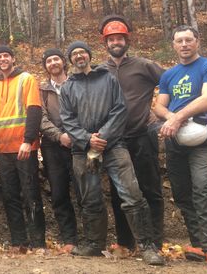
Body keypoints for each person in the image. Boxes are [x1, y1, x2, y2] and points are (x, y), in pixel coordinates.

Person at [59, 41, 164, 266]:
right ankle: (94, 244)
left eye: (82, 52)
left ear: (89, 55)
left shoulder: (108, 78)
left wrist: (102, 137)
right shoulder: (67, 87)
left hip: (114, 144)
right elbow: (67, 119)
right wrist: (88, 139)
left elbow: (120, 108)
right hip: (82, 149)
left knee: (132, 193)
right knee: (90, 198)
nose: (79, 56)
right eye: (74, 54)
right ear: (71, 60)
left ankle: (147, 246)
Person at [153, 25, 207, 271]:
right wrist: (171, 118)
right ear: (173, 45)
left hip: (202, 140)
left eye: (188, 40)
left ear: (197, 42)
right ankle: (199, 244)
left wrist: (177, 117)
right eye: (179, 41)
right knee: (182, 192)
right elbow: (159, 107)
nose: (184, 45)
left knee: (204, 188)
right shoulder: (169, 75)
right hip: (175, 140)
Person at [99, 16, 165, 252]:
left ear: (127, 40)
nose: (116, 42)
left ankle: (156, 242)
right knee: (119, 192)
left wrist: (163, 113)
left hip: (142, 136)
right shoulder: (100, 71)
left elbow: (172, 84)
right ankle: (126, 242)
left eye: (120, 38)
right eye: (111, 39)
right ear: (105, 42)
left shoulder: (144, 65)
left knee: (151, 188)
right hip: (114, 141)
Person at [0, 45, 45, 249]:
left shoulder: (26, 79)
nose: (3, 59)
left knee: (31, 194)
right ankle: (18, 241)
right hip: (3, 150)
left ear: (13, 59)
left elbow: (34, 111)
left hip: (24, 148)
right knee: (10, 195)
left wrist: (28, 141)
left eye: (6, 55)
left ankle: (38, 242)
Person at [39, 48, 79, 253]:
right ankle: (69, 239)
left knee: (85, 191)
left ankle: (92, 238)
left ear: (64, 62)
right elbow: (41, 118)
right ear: (45, 66)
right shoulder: (42, 90)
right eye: (49, 61)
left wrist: (76, 134)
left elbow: (88, 110)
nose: (53, 63)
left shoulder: (78, 83)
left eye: (56, 59)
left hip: (80, 144)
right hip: (52, 146)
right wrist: (59, 136)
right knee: (59, 193)